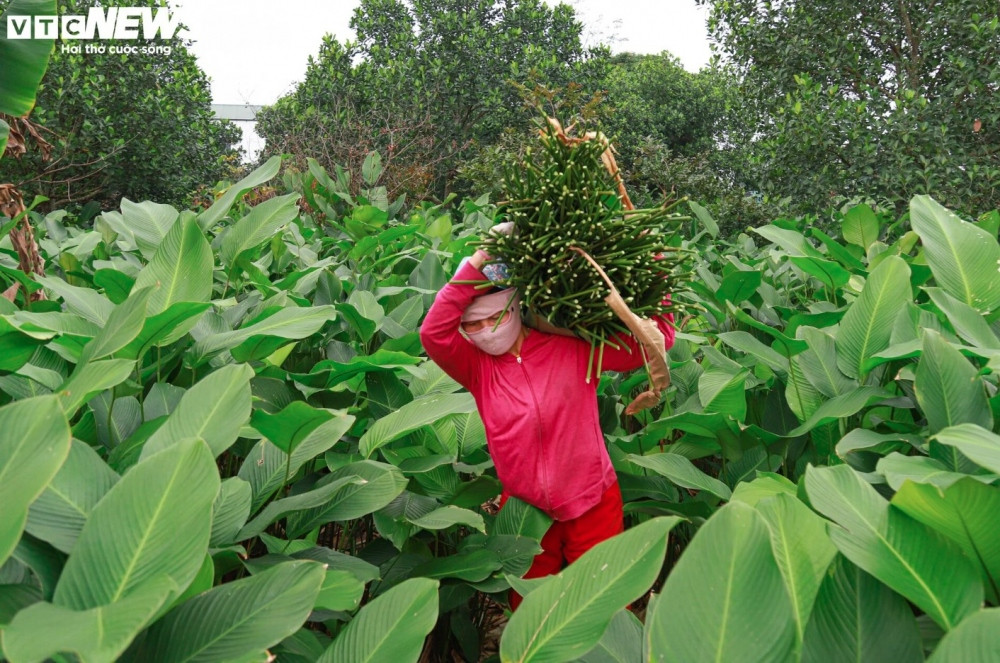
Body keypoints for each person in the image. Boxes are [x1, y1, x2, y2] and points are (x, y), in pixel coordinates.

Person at [419, 234, 675, 610]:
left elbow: (654, 343)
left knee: (604, 606)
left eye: (495, 316)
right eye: (473, 324)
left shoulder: (571, 347)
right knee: (531, 613)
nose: (486, 330)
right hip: (524, 511)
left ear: (515, 307)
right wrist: (479, 261)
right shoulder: (477, 368)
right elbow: (433, 332)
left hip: (592, 499)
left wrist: (657, 274)